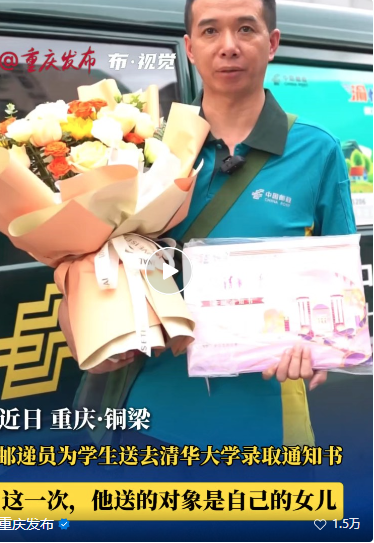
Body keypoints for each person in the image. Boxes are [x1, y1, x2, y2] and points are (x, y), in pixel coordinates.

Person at [74, 0, 356, 451]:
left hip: (265, 424)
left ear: (272, 43)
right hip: (146, 416)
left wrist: (322, 348)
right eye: (210, 31)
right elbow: (94, 268)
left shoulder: (316, 151)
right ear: (189, 47)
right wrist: (90, 327)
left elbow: (340, 291)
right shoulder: (145, 147)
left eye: (246, 29)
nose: (228, 46)